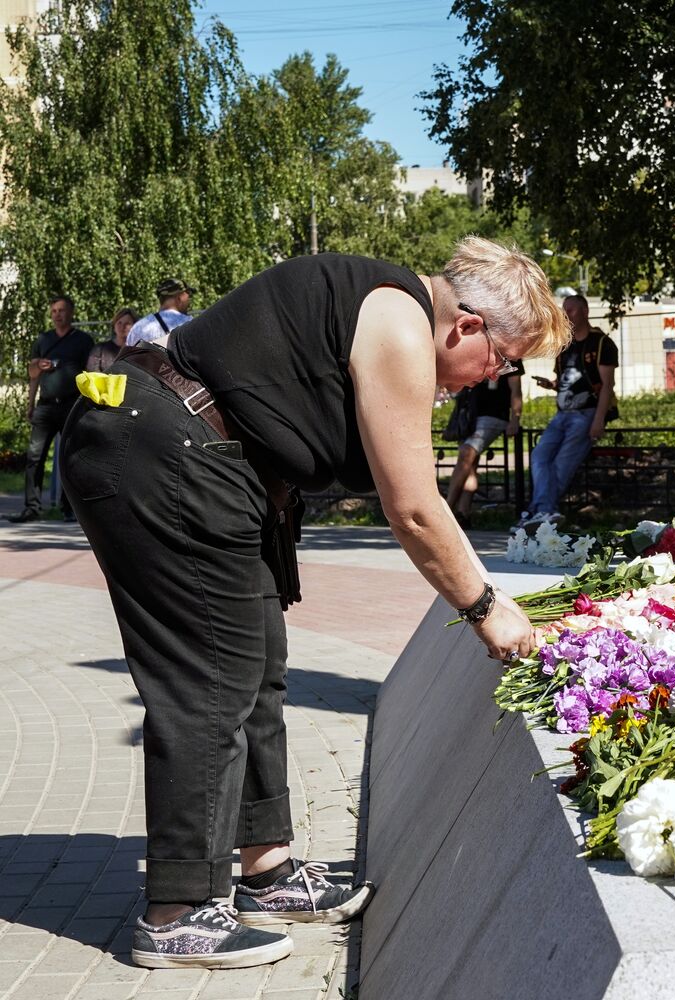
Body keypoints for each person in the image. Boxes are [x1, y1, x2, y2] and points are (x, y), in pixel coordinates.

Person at [59, 240, 568, 970]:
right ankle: (176, 912)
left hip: (199, 460)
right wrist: (489, 607)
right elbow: (415, 508)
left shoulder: (388, 308)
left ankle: (265, 868)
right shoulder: (399, 320)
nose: (496, 377)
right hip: (164, 454)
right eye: (505, 359)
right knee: (208, 681)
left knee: (255, 667)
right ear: (469, 326)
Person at [520, 294, 617, 526]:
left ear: (585, 312)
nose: (566, 315)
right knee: (539, 455)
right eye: (564, 310)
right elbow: (567, 382)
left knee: (561, 464)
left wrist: (599, 420)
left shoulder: (602, 343)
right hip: (562, 413)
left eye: (571, 310)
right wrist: (552, 385)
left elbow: (607, 386)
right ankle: (544, 511)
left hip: (587, 413)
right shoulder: (565, 346)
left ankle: (538, 512)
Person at [8, 295, 94, 524]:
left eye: (62, 310)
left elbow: (91, 373)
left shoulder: (83, 340)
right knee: (34, 458)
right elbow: (32, 375)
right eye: (54, 310)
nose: (58, 314)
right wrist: (30, 404)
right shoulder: (43, 339)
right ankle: (32, 508)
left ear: (72, 312)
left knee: (69, 458)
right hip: (45, 406)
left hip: (72, 405)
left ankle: (69, 508)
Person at [445, 360, 524, 527]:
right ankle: (463, 513)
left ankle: (446, 510)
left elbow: (516, 389)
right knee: (470, 465)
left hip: (494, 414)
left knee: (466, 453)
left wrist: (515, 419)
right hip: (469, 414)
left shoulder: (511, 354)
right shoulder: (479, 347)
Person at [126, 277, 196, 346]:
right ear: (181, 297)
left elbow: (127, 355)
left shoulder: (138, 327)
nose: (189, 300)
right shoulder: (189, 324)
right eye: (188, 295)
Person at [88, 307, 138, 373]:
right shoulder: (100, 349)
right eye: (119, 323)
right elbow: (92, 373)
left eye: (127, 323)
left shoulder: (139, 351)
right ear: (114, 325)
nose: (122, 326)